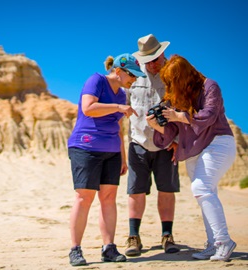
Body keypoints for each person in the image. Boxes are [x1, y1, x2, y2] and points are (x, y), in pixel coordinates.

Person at [147, 54, 237, 262]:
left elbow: (209, 116)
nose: (170, 86)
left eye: (173, 81)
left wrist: (180, 116)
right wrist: (157, 125)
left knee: (201, 188)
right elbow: (169, 134)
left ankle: (224, 241)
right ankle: (213, 243)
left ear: (184, 76)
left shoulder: (209, 86)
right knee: (206, 192)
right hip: (195, 149)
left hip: (218, 142)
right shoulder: (175, 97)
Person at [67, 53, 145, 266]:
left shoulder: (121, 94)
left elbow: (118, 128)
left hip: (111, 151)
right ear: (118, 71)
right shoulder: (96, 80)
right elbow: (88, 108)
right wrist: (118, 108)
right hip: (85, 146)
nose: (134, 80)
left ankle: (108, 248)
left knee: (108, 198)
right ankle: (75, 249)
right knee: (84, 197)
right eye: (132, 75)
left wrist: (122, 156)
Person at [124, 34, 180, 257]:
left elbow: (182, 111)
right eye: (148, 60)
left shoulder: (173, 77)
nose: (153, 64)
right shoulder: (133, 76)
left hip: (167, 145)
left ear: (163, 54)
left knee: (167, 190)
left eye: (156, 59)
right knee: (136, 191)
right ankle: (133, 237)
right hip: (138, 142)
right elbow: (124, 110)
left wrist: (177, 141)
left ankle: (167, 236)